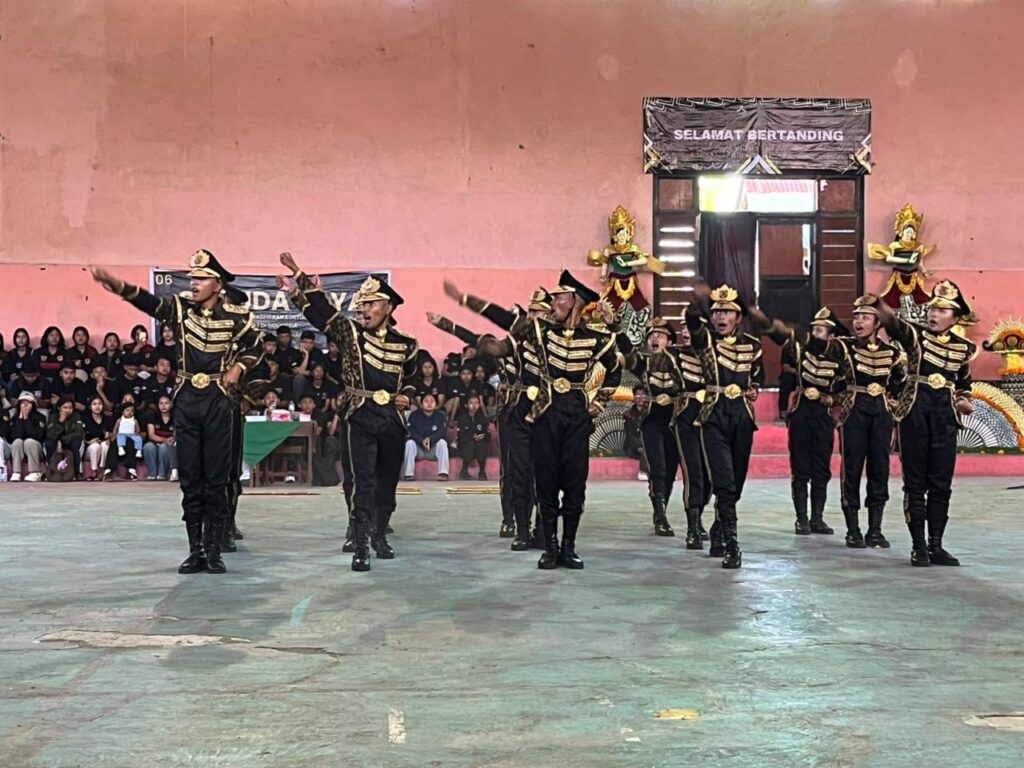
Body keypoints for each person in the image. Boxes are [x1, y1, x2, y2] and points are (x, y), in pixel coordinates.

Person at [91, 248, 263, 574]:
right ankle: (195, 550)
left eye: (201, 278)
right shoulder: (181, 308)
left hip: (218, 401)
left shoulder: (238, 318)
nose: (193, 283)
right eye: (192, 277)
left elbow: (256, 348)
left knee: (216, 479)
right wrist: (120, 287)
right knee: (190, 479)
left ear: (217, 284)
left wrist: (239, 366)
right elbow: (151, 304)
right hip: (187, 401)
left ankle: (214, 550)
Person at [279, 252, 418, 572]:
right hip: (360, 415)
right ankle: (361, 542)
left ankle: (380, 535)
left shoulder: (407, 344)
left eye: (371, 304)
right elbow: (324, 313)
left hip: (392, 420)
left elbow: (411, 378)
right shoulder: (351, 333)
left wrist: (408, 396)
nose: (364, 309)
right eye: (362, 304)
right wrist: (298, 277)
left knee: (387, 483)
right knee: (361, 482)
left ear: (389, 307)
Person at [493, 270, 620, 570]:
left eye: (559, 296)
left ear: (575, 301)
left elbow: (614, 370)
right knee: (546, 483)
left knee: (575, 486)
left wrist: (600, 402)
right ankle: (549, 547)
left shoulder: (596, 339)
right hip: (546, 416)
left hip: (577, 419)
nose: (553, 302)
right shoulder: (544, 334)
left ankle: (569, 546)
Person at [874, 280, 977, 567]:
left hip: (945, 418)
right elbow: (896, 326)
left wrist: (963, 400)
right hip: (915, 414)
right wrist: (880, 307)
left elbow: (964, 384)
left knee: (941, 485)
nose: (934, 314)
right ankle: (918, 546)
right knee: (915, 484)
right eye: (932, 309)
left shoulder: (964, 348)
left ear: (955, 318)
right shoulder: (916, 336)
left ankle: (936, 545)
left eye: (942, 310)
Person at [685, 284, 767, 569]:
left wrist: (753, 388)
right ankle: (733, 545)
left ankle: (719, 527)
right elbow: (692, 322)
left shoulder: (753, 345)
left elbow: (758, 376)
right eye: (717, 311)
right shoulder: (705, 340)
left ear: (738, 317)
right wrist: (697, 300)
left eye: (727, 312)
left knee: (737, 483)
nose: (721, 316)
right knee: (724, 482)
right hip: (713, 415)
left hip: (742, 416)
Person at [761, 307, 851, 536]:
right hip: (801, 414)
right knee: (800, 468)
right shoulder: (800, 351)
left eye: (820, 330)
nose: (815, 334)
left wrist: (831, 400)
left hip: (823, 416)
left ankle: (817, 518)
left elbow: (845, 390)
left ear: (831, 335)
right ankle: (801, 518)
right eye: (814, 329)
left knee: (821, 470)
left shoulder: (839, 358)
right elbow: (787, 341)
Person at [834, 295, 904, 549]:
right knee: (851, 468)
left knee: (879, 468)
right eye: (856, 317)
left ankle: (875, 529)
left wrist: (895, 401)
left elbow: (900, 382)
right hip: (855, 411)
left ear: (877, 324)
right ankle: (853, 529)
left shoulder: (893, 353)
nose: (859, 322)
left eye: (865, 317)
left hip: (881, 414)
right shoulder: (844, 348)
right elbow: (834, 379)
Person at [628, 318, 685, 537]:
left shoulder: (679, 361)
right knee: (658, 468)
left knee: (670, 469)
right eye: (652, 335)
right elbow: (626, 354)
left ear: (669, 341)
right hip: (651, 421)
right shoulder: (643, 361)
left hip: (674, 421)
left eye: (660, 336)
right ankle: (660, 516)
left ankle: (662, 509)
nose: (655, 339)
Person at [673, 320, 711, 549]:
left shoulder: (714, 355)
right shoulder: (673, 356)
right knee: (693, 472)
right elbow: (641, 362)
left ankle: (700, 515)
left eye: (691, 328)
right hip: (686, 418)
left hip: (711, 419)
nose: (686, 332)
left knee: (709, 477)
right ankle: (693, 527)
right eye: (684, 328)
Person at [403, 393, 450, 480]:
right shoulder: (414, 415)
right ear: (421, 404)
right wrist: (421, 441)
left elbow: (441, 432)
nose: (429, 403)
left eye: (432, 401)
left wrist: (430, 439)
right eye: (426, 401)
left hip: (433, 450)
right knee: (409, 443)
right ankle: (408, 474)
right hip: (419, 450)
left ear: (436, 404)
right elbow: (411, 432)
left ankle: (443, 473)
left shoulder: (440, 416)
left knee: (442, 443)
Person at [7, 392, 47, 482]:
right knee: (17, 441)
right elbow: (13, 437)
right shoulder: (15, 418)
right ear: (19, 405)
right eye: (23, 402)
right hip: (19, 448)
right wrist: (20, 420)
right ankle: (16, 472)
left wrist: (26, 419)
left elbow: (38, 435)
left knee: (29, 441)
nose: (25, 405)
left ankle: (35, 472)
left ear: (33, 404)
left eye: (28, 402)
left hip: (36, 448)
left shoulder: (40, 417)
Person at [45, 397, 85, 479]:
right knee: (49, 444)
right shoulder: (53, 417)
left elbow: (79, 433)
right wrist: (60, 421)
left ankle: (76, 472)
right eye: (65, 408)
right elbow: (50, 434)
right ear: (59, 408)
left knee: (76, 444)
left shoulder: (76, 416)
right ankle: (51, 471)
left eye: (70, 408)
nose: (68, 410)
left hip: (69, 441)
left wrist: (62, 440)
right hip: (56, 442)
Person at [456, 394, 491, 480]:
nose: (474, 405)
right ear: (466, 405)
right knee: (470, 444)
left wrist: (483, 436)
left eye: (476, 403)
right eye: (471, 403)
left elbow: (488, 436)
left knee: (481, 445)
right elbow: (460, 437)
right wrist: (472, 437)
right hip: (465, 446)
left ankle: (482, 472)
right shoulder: (462, 419)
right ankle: (464, 471)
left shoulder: (483, 418)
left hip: (479, 445)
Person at [144, 394, 178, 481]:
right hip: (155, 442)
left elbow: (175, 435)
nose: (163, 406)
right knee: (148, 446)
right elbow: (151, 435)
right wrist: (164, 439)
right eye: (161, 403)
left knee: (163, 447)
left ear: (171, 404)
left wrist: (168, 440)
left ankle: (162, 474)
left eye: (166, 403)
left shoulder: (176, 417)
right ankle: (152, 474)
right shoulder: (152, 416)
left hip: (169, 444)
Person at [111, 399, 143, 480]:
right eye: (127, 410)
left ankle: (138, 452)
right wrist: (114, 437)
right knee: (119, 438)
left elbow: (138, 430)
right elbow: (115, 430)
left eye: (132, 411)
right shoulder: (119, 420)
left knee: (138, 440)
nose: (130, 412)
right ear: (123, 412)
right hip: (122, 435)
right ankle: (120, 448)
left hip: (131, 436)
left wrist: (137, 433)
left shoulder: (134, 420)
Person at [82, 396, 112, 479]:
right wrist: (88, 442)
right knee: (95, 446)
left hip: (102, 447)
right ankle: (94, 471)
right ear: (90, 407)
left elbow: (108, 434)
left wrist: (108, 439)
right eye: (94, 404)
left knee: (105, 445)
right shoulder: (85, 419)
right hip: (89, 449)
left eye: (100, 404)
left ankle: (102, 469)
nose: (97, 406)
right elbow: (80, 436)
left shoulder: (106, 418)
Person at [622, 386, 649, 481]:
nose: (640, 398)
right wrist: (639, 445)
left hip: (650, 443)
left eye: (643, 395)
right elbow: (630, 434)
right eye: (637, 395)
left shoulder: (651, 412)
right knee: (644, 450)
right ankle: (643, 471)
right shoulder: (628, 414)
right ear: (633, 397)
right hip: (633, 446)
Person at [2, 328, 34, 396]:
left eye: (23, 337)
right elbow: (5, 371)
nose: (21, 339)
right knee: (11, 385)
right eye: (18, 337)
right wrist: (10, 377)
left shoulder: (32, 352)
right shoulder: (11, 353)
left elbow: (36, 369)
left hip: (29, 378)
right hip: (14, 380)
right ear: (15, 339)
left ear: (27, 339)